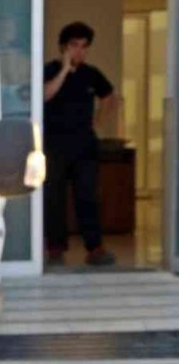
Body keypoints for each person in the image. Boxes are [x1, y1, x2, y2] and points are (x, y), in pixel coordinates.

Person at [43, 21, 117, 267]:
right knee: (54, 198)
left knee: (88, 196)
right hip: (54, 145)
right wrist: (64, 70)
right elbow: (44, 95)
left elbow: (109, 96)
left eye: (84, 47)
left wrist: (98, 120)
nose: (79, 52)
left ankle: (95, 249)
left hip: (84, 145)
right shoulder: (49, 70)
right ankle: (55, 250)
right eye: (74, 46)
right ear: (63, 47)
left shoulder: (91, 74)